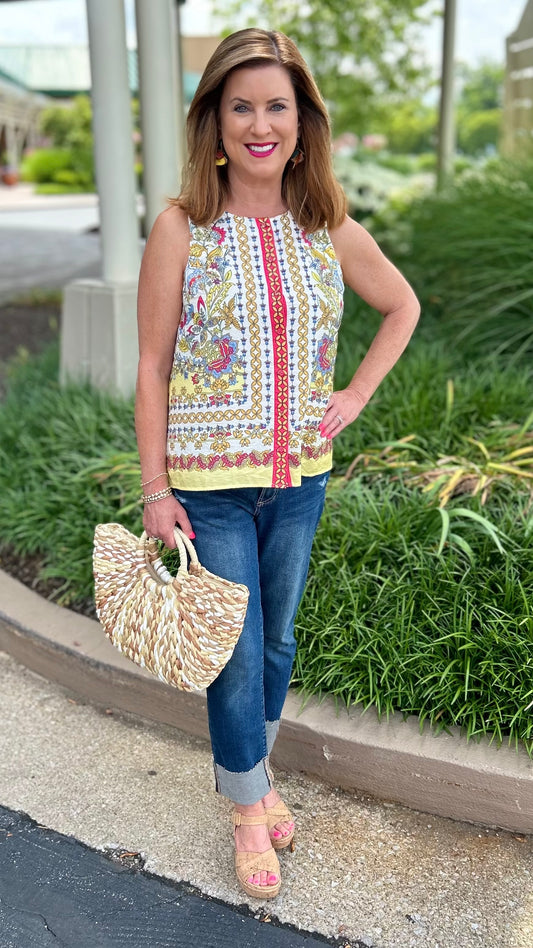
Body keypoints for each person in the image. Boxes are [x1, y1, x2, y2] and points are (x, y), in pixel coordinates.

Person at [135, 27, 420, 901]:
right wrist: (154, 490)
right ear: (214, 122)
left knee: (278, 640)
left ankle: (250, 769)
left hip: (300, 477)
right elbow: (149, 365)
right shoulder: (182, 226)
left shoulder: (325, 225)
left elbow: (401, 306)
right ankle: (249, 808)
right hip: (208, 485)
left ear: (302, 121)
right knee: (233, 650)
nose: (260, 125)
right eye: (241, 107)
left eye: (276, 107)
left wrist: (356, 396)